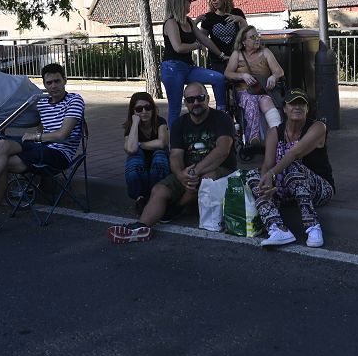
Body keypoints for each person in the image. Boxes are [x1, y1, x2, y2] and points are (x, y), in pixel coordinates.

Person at [0, 63, 84, 241]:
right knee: (1, 147)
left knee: (3, 157)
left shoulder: (75, 100)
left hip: (60, 155)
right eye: (49, 83)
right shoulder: (43, 104)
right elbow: (41, 129)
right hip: (42, 149)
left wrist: (36, 137)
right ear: (44, 85)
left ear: (65, 80)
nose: (53, 86)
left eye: (57, 81)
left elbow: (62, 135)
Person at [108, 83, 235, 243]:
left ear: (208, 98)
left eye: (200, 98)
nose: (195, 102)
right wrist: (180, 174)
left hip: (219, 169)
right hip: (189, 173)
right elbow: (175, 155)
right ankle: (141, 228)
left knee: (206, 180)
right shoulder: (179, 124)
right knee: (159, 189)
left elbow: (222, 151)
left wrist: (194, 172)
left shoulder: (222, 119)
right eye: (190, 99)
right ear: (185, 102)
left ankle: (175, 209)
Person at [246, 89, 334, 249]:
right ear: (284, 108)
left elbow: (295, 153)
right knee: (253, 174)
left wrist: (272, 174)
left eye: (302, 104)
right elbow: (267, 164)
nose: (297, 107)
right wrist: (267, 183)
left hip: (318, 188)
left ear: (308, 109)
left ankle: (313, 227)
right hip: (285, 190)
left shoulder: (318, 127)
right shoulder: (274, 132)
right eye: (292, 103)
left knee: (293, 166)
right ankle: (278, 229)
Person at [160, 0, 229, 128]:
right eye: (188, 0)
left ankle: (222, 113)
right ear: (180, 2)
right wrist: (196, 45)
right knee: (175, 108)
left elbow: (206, 40)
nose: (190, 3)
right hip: (172, 68)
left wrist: (221, 55)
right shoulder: (171, 22)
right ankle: (174, 144)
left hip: (188, 67)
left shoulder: (189, 21)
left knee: (219, 78)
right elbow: (178, 47)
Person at [224, 25, 284, 147]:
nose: (257, 39)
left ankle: (278, 136)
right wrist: (243, 76)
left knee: (266, 102)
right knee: (250, 100)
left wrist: (273, 76)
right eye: (253, 37)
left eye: (258, 36)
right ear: (244, 41)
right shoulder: (237, 54)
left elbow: (280, 72)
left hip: (262, 91)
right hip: (243, 91)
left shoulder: (265, 52)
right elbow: (227, 73)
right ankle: (253, 137)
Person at [123, 91, 169, 215]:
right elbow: (131, 149)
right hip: (141, 164)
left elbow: (162, 143)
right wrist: (135, 123)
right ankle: (140, 198)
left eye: (147, 107)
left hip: (159, 164)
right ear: (133, 111)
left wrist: (140, 144)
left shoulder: (160, 122)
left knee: (159, 154)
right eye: (139, 109)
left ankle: (155, 197)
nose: (144, 111)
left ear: (153, 109)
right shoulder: (131, 127)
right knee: (134, 157)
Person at [196, 0, 246, 76]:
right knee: (221, 86)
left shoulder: (237, 13)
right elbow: (201, 38)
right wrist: (195, 23)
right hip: (216, 61)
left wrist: (241, 20)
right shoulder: (208, 17)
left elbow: (247, 35)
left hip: (237, 58)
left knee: (238, 88)